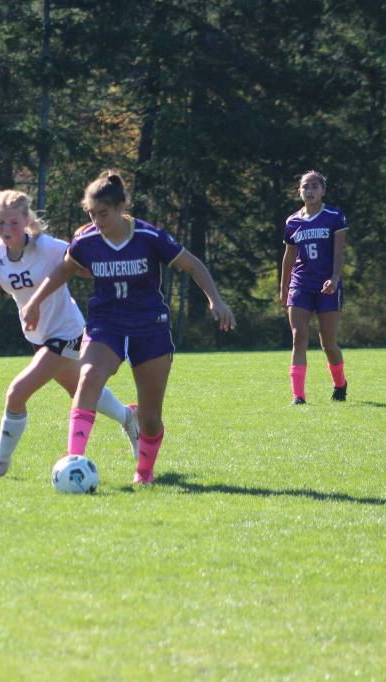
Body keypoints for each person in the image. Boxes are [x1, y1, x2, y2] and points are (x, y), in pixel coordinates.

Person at [21, 171, 235, 485]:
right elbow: (63, 270)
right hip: (106, 324)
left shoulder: (150, 237)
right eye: (91, 214)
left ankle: (144, 472)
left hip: (150, 326)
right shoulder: (87, 241)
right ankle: (73, 462)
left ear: (122, 206)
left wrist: (216, 300)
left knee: (149, 419)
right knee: (88, 378)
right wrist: (35, 301)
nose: (97, 221)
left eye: (103, 213)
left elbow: (193, 265)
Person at [0, 190, 140, 481]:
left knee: (17, 392)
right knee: (81, 392)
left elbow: (84, 266)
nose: (6, 230)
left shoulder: (49, 248)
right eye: (0, 223)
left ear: (26, 219)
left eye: (13, 223)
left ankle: (0, 461)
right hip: (38, 338)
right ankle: (128, 417)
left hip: (67, 333)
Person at [279, 170, 348, 405]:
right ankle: (298, 396)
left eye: (314, 186)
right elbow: (288, 258)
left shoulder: (334, 216)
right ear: (299, 191)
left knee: (327, 342)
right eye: (305, 187)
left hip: (327, 285)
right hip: (301, 285)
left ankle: (340, 383)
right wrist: (284, 287)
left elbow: (339, 252)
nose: (309, 191)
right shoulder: (292, 221)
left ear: (323, 190)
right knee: (299, 337)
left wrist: (335, 278)